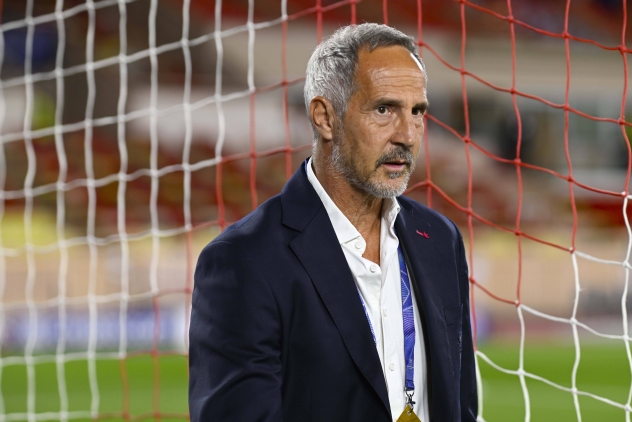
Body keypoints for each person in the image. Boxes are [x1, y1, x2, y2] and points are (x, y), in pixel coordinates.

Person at [189, 23, 477, 422]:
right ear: (325, 118)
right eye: (384, 109)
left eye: (417, 112)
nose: (408, 136)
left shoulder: (440, 239)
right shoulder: (245, 260)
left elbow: (460, 405)